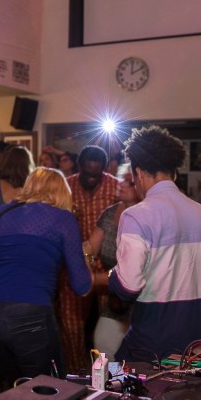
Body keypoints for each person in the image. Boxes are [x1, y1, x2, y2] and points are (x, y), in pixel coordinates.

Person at [0, 168, 91, 389]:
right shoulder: (63, 219)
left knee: (15, 388)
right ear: (63, 193)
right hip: (28, 313)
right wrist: (86, 254)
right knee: (49, 390)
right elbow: (82, 286)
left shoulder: (1, 213)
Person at [109, 126, 201, 362]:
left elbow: (128, 287)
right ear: (174, 173)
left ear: (138, 172)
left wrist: (111, 274)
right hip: (198, 346)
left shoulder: (137, 215)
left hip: (153, 346)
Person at [59, 144, 120, 373]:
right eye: (87, 173)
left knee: (112, 324)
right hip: (72, 265)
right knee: (70, 323)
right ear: (79, 167)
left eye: (97, 174)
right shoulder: (66, 186)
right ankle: (76, 373)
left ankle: (109, 376)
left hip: (107, 266)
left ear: (104, 169)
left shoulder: (114, 186)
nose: (92, 179)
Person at [84, 163, 141, 357]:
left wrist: (95, 279)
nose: (121, 184)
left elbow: (135, 269)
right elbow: (91, 247)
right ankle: (111, 386)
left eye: (129, 182)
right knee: (103, 342)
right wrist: (84, 261)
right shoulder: (110, 213)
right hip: (116, 300)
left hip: (142, 299)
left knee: (137, 354)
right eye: (121, 178)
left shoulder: (146, 216)